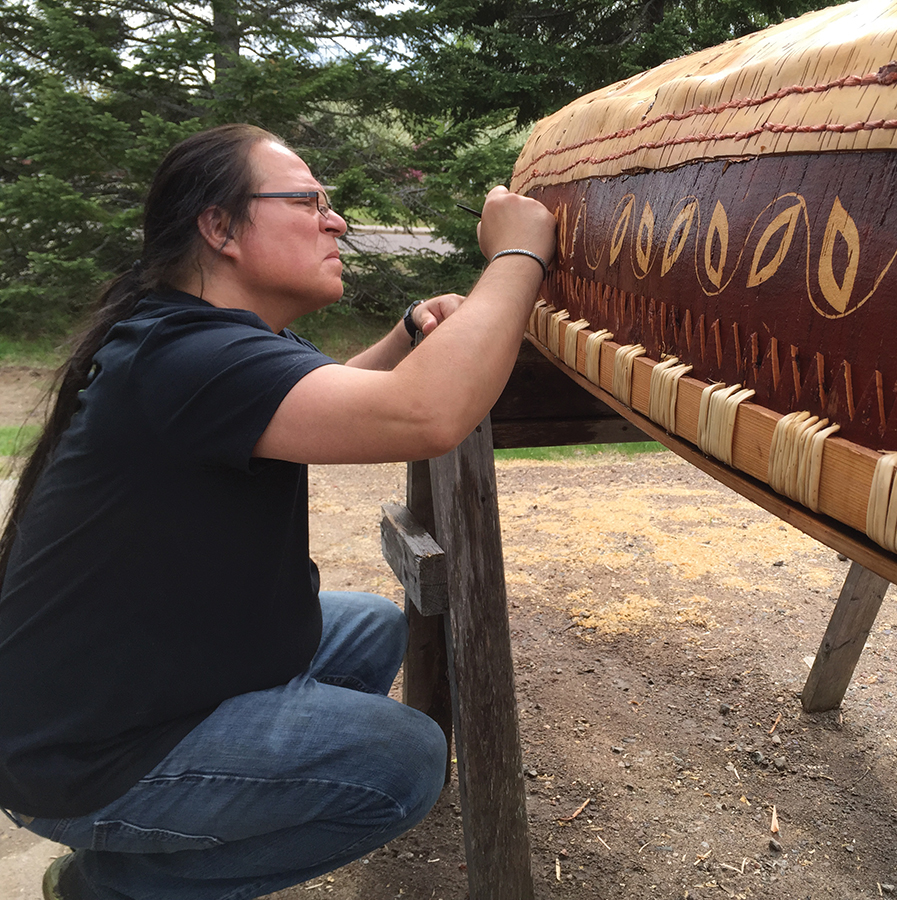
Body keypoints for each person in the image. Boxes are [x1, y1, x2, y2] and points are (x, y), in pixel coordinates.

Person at [0, 122, 556, 900]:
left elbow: (321, 407)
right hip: (86, 757)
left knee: (369, 625)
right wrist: (519, 253)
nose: (337, 222)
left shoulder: (196, 337)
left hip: (112, 689)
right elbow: (428, 414)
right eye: (309, 201)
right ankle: (114, 886)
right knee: (404, 762)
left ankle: (216, 809)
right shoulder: (190, 357)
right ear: (220, 227)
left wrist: (404, 336)